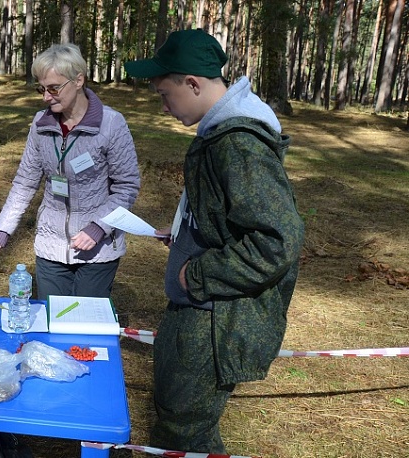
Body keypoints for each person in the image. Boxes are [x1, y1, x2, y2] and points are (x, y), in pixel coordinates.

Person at [124, 29, 305, 453]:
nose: (163, 106)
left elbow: (277, 241)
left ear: (192, 83)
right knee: (187, 424)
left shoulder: (239, 145)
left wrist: (198, 274)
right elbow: (228, 218)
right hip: (202, 309)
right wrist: (188, 233)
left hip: (213, 317)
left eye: (165, 94)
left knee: (182, 431)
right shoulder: (219, 134)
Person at [0, 43, 141, 300]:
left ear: (78, 80)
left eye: (54, 88)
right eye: (41, 89)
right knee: (52, 316)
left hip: (98, 249)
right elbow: (25, 182)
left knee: (85, 320)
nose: (46, 97)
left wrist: (98, 228)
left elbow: (126, 187)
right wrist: (2, 230)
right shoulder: (40, 125)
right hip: (50, 245)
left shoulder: (111, 124)